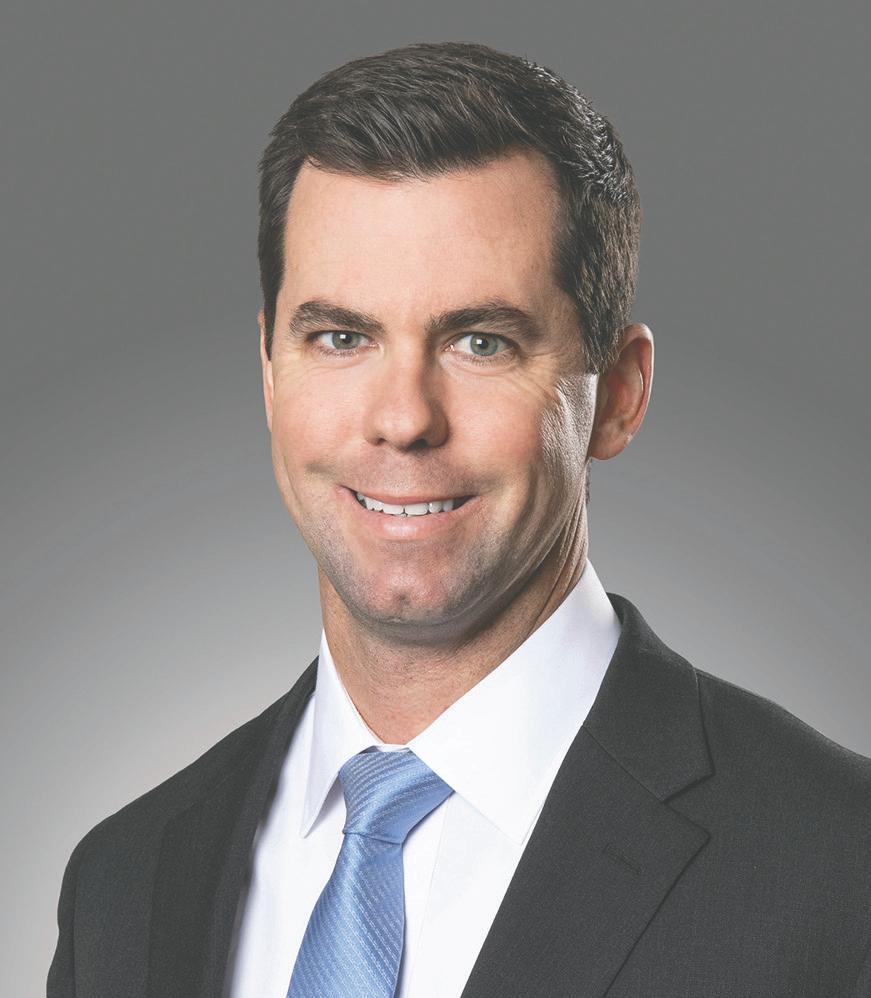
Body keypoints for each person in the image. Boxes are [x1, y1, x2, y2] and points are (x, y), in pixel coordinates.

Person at [48, 40, 871, 998]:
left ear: (617, 395)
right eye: (340, 337)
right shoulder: (124, 880)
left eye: (480, 342)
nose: (403, 419)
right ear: (270, 374)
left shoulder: (837, 871)